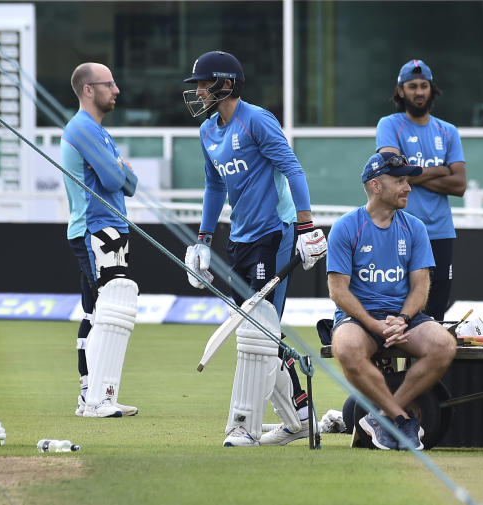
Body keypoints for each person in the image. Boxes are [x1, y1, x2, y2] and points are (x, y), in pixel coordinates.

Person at [181, 50, 327, 447]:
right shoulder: (208, 132)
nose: (197, 90)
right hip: (240, 239)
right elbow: (214, 186)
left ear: (225, 84)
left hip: (274, 234)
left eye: (203, 82)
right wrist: (204, 239)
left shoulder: (257, 120)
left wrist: (306, 225)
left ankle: (243, 425)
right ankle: (300, 416)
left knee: (257, 331)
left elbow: (292, 169)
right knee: (262, 332)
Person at [326, 151, 456, 451]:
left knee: (444, 344)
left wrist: (404, 319)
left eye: (407, 181)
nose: (408, 187)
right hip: (361, 318)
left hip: (403, 318)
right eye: (399, 181)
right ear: (375, 186)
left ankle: (383, 416)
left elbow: (420, 286)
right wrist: (373, 324)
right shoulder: (346, 227)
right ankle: (399, 417)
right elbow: (339, 291)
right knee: (345, 347)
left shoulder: (416, 227)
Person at [61, 62, 140, 419]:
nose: (117, 90)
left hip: (110, 228)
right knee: (106, 307)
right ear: (89, 90)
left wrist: (119, 170)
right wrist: (119, 168)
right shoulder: (81, 128)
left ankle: (96, 395)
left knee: (100, 308)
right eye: (110, 84)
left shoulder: (98, 132)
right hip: (95, 229)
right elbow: (113, 180)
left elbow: (131, 185)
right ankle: (93, 397)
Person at [376, 59, 467, 322]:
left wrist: (411, 173)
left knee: (435, 312)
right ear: (400, 91)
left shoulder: (447, 131)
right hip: (401, 227)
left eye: (424, 86)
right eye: (412, 86)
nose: (419, 92)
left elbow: (460, 185)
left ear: (431, 89)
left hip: (440, 231)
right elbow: (392, 169)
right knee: (397, 309)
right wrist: (440, 170)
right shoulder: (390, 125)